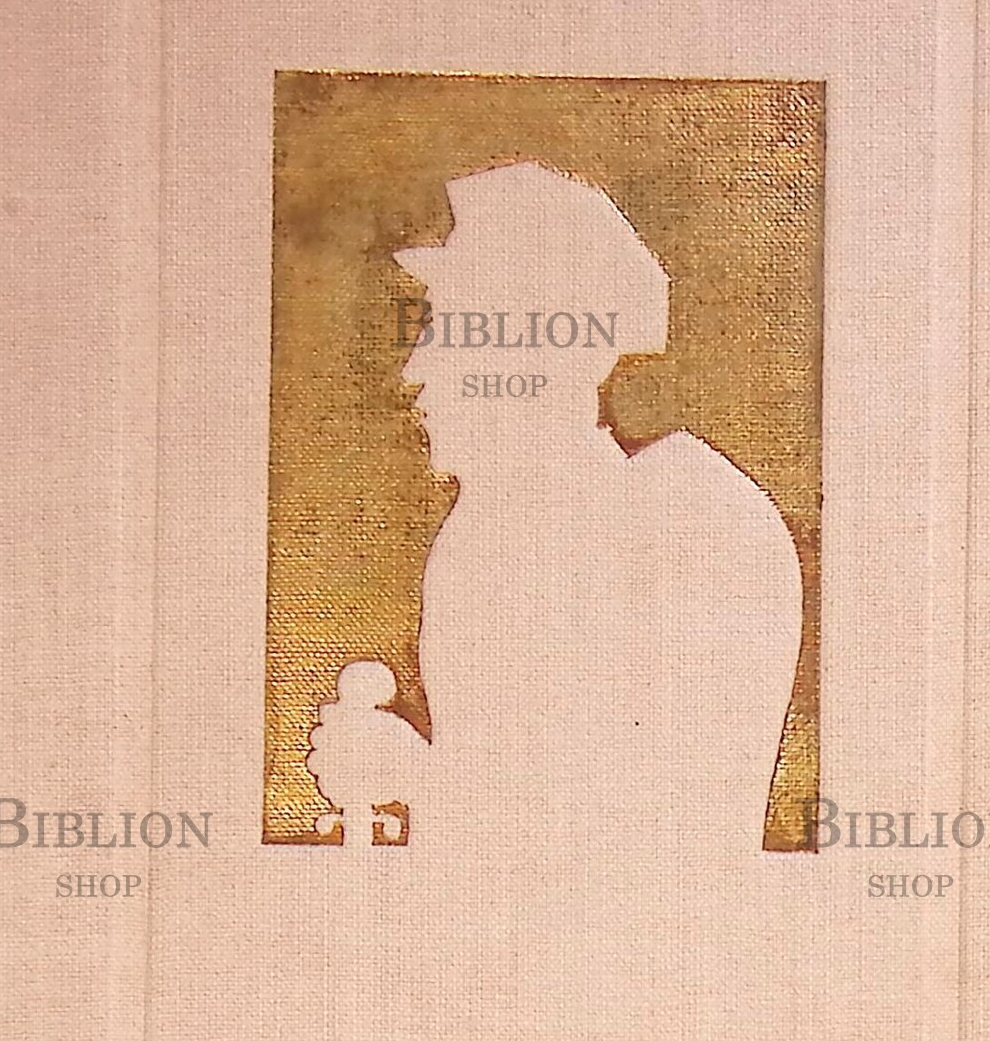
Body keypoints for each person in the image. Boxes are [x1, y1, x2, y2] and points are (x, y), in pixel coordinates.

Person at [306, 162, 803, 862]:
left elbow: (672, 837)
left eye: (450, 332)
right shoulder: (480, 535)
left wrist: (419, 777)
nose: (416, 369)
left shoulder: (695, 517)